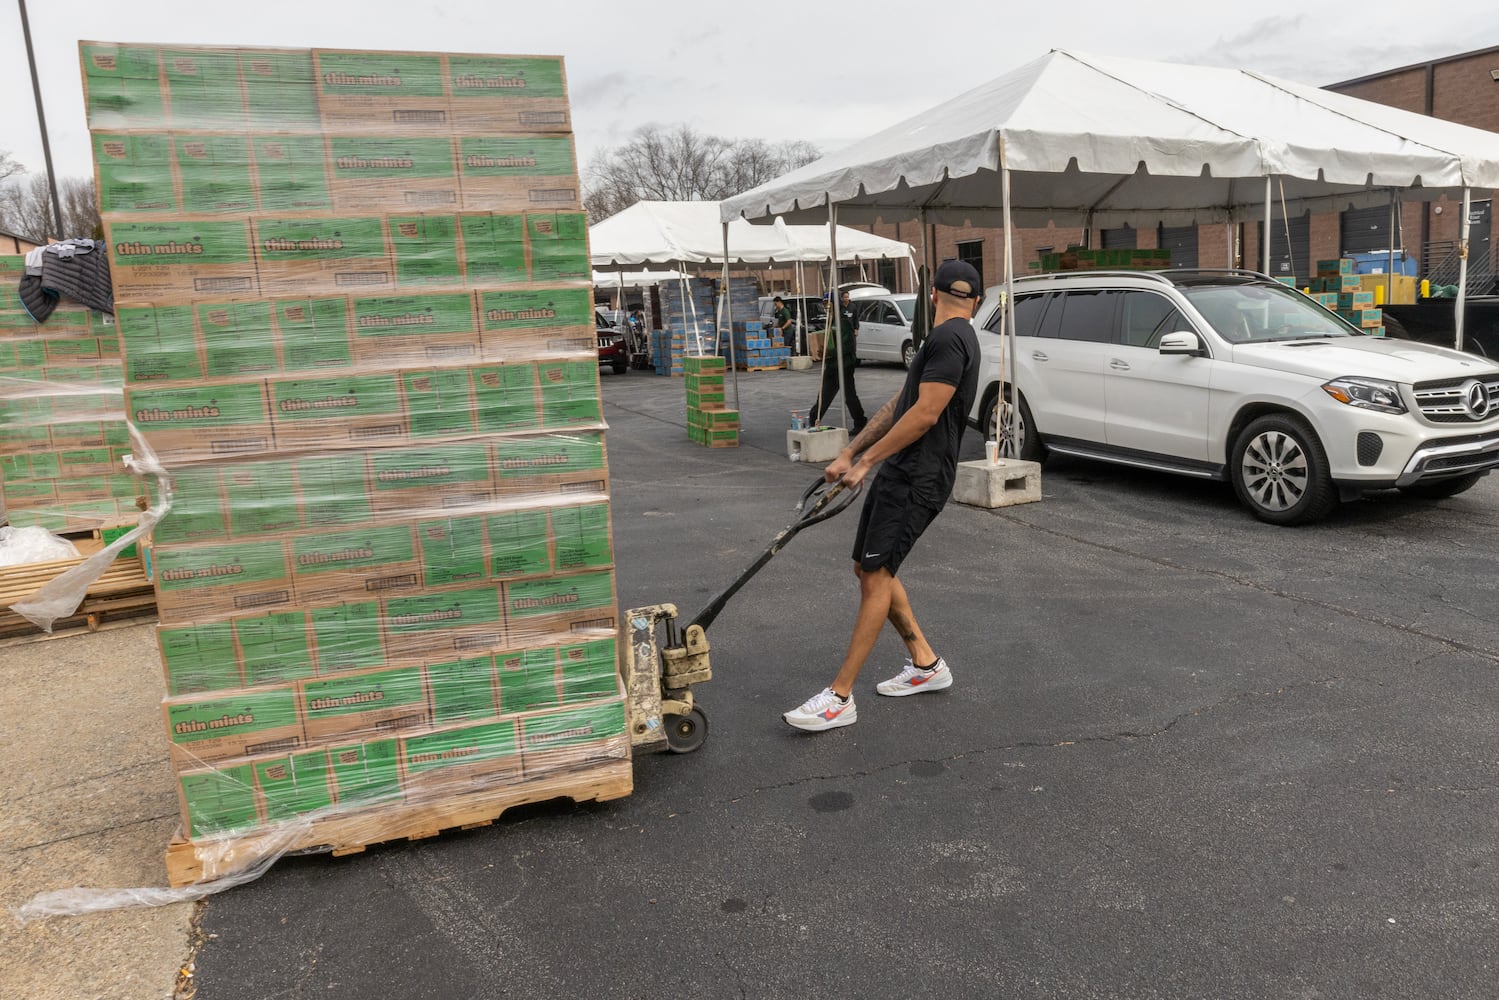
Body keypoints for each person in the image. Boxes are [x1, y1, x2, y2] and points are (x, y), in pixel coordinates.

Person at [784, 260, 984, 732]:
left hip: (920, 477)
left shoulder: (949, 340)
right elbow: (903, 403)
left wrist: (866, 463)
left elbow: (926, 415)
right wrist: (851, 449)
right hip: (902, 471)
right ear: (974, 302)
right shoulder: (945, 341)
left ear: (931, 295)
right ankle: (926, 663)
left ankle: (840, 697)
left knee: (876, 574)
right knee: (868, 567)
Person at [806, 289, 867, 434]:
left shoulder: (842, 321)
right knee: (825, 395)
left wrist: (829, 352)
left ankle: (860, 422)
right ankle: (813, 420)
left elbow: (847, 345)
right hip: (833, 365)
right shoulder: (830, 320)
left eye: (827, 303)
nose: (825, 306)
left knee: (849, 395)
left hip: (844, 365)